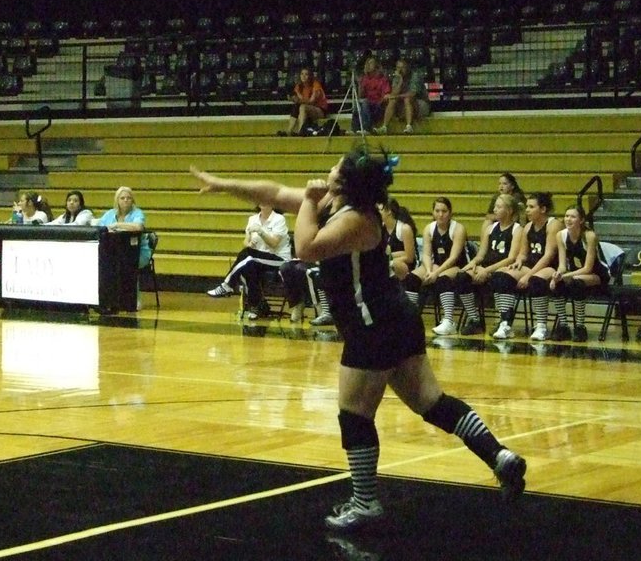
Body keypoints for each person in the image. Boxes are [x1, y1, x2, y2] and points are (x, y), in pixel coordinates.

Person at [191, 151, 526, 531]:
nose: (330, 166)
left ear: (345, 182)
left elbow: (306, 248)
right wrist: (223, 185)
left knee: (354, 415)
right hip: (394, 317)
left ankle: (365, 502)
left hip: (373, 324)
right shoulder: (340, 203)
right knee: (432, 403)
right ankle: (499, 456)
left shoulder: (358, 219)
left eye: (337, 165)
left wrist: (308, 201)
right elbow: (275, 192)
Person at [490, 193, 562, 341]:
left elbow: (548, 256)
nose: (527, 210)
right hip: (532, 265)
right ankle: (505, 323)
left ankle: (541, 326)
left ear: (543, 209)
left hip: (551, 266)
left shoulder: (553, 224)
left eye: (531, 207)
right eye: (527, 207)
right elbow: (523, 253)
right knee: (501, 276)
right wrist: (518, 262)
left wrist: (528, 275)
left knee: (536, 280)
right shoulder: (528, 227)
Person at [452, 193, 523, 337]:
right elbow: (481, 254)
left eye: (499, 207)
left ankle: (505, 323)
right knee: (461, 277)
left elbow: (511, 258)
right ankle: (475, 319)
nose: (495, 210)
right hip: (486, 267)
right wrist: (472, 264)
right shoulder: (490, 228)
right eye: (495, 206)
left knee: (500, 277)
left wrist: (487, 270)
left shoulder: (517, 229)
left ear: (509, 211)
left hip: (503, 268)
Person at [206, 203, 292, 321]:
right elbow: (246, 242)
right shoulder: (252, 219)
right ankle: (257, 305)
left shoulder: (279, 219)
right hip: (257, 260)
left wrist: (261, 231)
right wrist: (249, 244)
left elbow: (274, 243)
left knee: (249, 259)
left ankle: (227, 285)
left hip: (278, 260)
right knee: (248, 264)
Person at [550, 206, 609, 342]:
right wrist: (558, 275)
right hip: (575, 272)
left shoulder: (589, 236)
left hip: (597, 273)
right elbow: (562, 265)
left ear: (581, 220)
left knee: (576, 283)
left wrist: (566, 276)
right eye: (566, 216)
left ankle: (580, 327)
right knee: (557, 284)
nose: (568, 219)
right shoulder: (561, 235)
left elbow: (588, 268)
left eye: (573, 216)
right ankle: (563, 326)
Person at [412, 197, 469, 331]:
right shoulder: (429, 228)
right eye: (437, 211)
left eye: (444, 211)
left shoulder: (458, 228)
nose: (440, 214)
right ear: (433, 212)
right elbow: (426, 254)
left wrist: (435, 273)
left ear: (450, 213)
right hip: (437, 265)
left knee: (443, 279)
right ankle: (410, 318)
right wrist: (428, 270)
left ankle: (449, 321)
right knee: (412, 278)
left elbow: (454, 257)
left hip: (458, 266)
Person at [97, 186, 151, 269]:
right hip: (114, 251)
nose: (125, 200)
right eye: (122, 198)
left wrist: (117, 224)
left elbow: (138, 227)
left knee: (116, 262)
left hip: (137, 252)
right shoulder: (109, 213)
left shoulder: (138, 213)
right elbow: (99, 228)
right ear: (117, 201)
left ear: (132, 200)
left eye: (128, 198)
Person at [378, 58, 430, 134]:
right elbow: (394, 94)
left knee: (407, 99)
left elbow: (412, 94)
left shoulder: (415, 76)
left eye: (403, 67)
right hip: (405, 104)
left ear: (408, 67)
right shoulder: (397, 77)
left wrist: (395, 96)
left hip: (421, 104)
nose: (400, 70)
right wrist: (400, 81)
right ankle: (384, 127)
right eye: (398, 67)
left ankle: (409, 126)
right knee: (392, 100)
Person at [280, 67, 328, 136]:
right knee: (296, 106)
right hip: (307, 109)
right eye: (302, 74)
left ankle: (301, 130)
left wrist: (298, 100)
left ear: (310, 76)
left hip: (319, 110)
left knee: (303, 107)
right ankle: (289, 131)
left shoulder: (316, 84)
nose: (304, 76)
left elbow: (312, 101)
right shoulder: (298, 86)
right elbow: (300, 99)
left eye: (306, 74)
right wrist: (293, 98)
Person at [355, 55, 390, 133]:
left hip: (379, 106)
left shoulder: (382, 79)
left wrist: (379, 101)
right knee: (357, 105)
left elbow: (386, 95)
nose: (368, 65)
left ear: (376, 65)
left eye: (370, 63)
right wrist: (360, 84)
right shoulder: (365, 78)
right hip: (368, 105)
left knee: (365, 104)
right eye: (367, 63)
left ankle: (366, 128)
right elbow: (360, 95)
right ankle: (355, 130)